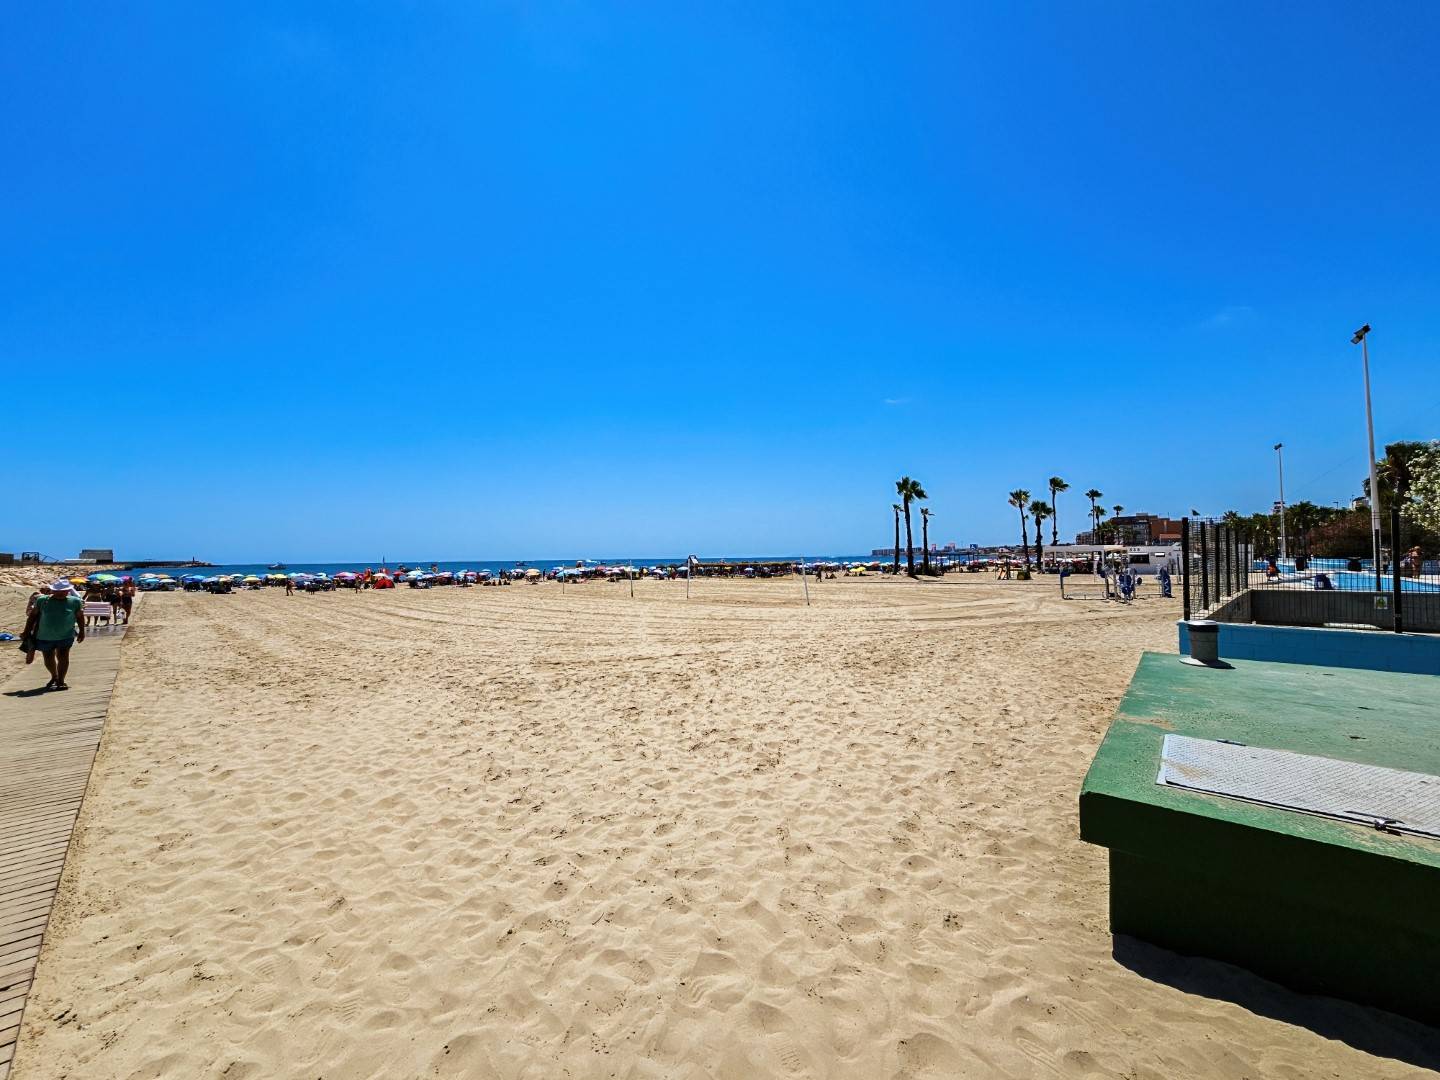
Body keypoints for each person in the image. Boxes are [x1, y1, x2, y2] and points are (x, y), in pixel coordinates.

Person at [24, 580, 85, 690]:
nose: (60, 593)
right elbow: (32, 617)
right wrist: (26, 632)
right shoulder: (42, 600)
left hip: (66, 635)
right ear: (52, 590)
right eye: (57, 591)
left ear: (68, 591)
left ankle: (61, 681)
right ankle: (54, 676)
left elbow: (80, 616)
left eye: (63, 591)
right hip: (44, 636)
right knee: (48, 658)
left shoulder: (75, 601)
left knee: (63, 657)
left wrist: (82, 631)